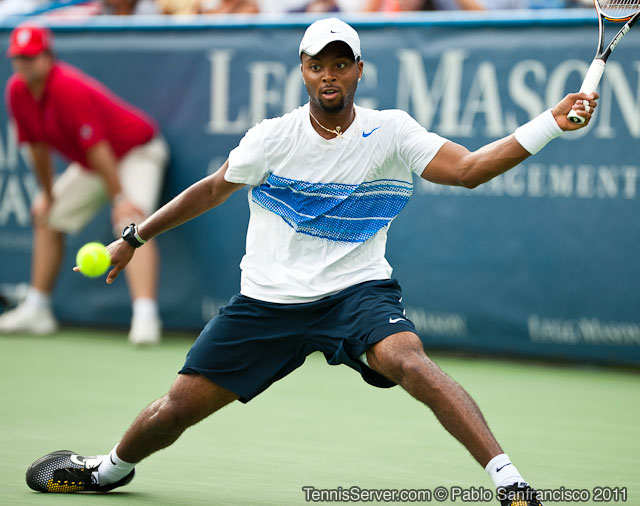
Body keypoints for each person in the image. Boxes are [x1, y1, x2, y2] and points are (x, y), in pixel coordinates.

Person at [24, 18, 597, 506]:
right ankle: (108, 470)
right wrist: (135, 236)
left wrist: (550, 122)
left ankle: (509, 482)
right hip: (267, 302)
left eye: (340, 64)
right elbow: (209, 190)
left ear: (358, 71)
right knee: (176, 409)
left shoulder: (391, 132)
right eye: (318, 64)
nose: (329, 75)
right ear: (302, 70)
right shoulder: (272, 138)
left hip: (356, 293)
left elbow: (469, 169)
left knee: (412, 363)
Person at [1, 23, 168, 345]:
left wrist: (119, 197)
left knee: (130, 223)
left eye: (31, 57)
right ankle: (38, 308)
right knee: (47, 216)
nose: (24, 65)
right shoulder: (17, 91)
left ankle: (146, 316)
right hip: (96, 162)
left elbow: (98, 148)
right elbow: (36, 147)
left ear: (48, 57)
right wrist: (48, 195)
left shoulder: (67, 86)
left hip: (138, 150)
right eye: (18, 58)